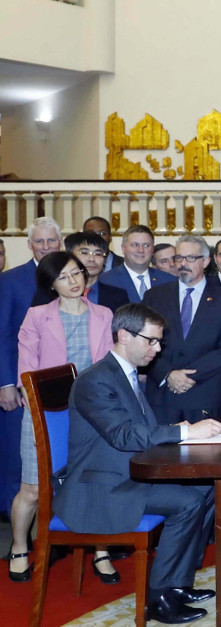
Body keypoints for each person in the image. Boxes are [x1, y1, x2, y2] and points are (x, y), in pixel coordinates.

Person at [53, 304, 221, 624]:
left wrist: (182, 433)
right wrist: (184, 432)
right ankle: (158, 598)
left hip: (123, 473)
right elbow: (123, 435)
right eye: (151, 341)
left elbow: (139, 430)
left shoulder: (126, 373)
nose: (157, 349)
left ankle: (177, 584)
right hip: (99, 487)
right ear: (123, 336)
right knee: (187, 502)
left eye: (160, 342)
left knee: (206, 487)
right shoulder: (96, 380)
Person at [9, 252, 116, 584]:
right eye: (64, 277)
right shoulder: (37, 316)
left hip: (91, 414)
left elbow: (110, 365)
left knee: (94, 483)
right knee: (33, 487)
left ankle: (101, 551)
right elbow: (27, 368)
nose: (74, 281)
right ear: (51, 284)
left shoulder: (104, 314)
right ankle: (19, 546)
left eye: (77, 273)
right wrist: (33, 396)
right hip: (47, 414)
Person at [0, 217, 62, 519]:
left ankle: (53, 527)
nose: (46, 247)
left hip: (60, 384)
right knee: (18, 458)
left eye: (51, 241)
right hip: (20, 385)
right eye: (40, 241)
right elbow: (3, 334)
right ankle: (15, 533)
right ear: (29, 245)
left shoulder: (71, 277)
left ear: (60, 243)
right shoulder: (11, 280)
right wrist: (6, 383)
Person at [143, 236, 221, 422]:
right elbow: (143, 341)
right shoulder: (154, 297)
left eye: (190, 258)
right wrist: (168, 374)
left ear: (205, 261)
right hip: (163, 393)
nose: (182, 264)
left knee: (204, 451)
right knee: (161, 452)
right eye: (179, 258)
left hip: (204, 392)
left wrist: (189, 376)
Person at [31, 231, 129, 312]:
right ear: (69, 255)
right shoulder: (48, 294)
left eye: (98, 253)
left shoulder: (118, 296)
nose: (91, 258)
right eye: (84, 252)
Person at [99, 225, 175, 303]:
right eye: (135, 245)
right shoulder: (106, 281)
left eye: (146, 245)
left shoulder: (170, 281)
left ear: (152, 250)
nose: (141, 250)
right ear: (123, 248)